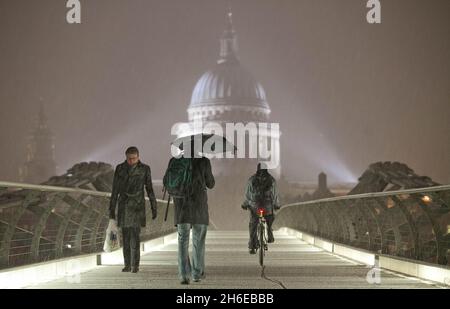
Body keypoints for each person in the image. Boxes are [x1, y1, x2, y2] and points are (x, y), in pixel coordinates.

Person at [165, 156, 215, 285]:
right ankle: (196, 274)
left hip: (181, 207)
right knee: (198, 241)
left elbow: (167, 181)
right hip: (199, 207)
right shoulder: (204, 161)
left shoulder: (175, 161)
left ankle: (183, 275)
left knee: (182, 241)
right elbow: (211, 184)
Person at [109, 146, 157, 273]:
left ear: (138, 157)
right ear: (126, 157)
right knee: (125, 236)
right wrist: (111, 210)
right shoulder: (120, 168)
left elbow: (149, 188)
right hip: (124, 205)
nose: (131, 161)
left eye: (134, 158)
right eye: (129, 159)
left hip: (137, 206)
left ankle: (135, 265)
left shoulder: (145, 169)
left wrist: (154, 206)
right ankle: (127, 264)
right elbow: (115, 190)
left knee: (135, 236)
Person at [241, 163, 280, 254]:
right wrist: (276, 205)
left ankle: (252, 246)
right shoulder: (271, 180)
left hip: (255, 207)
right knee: (270, 220)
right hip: (267, 207)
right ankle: (270, 234)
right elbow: (275, 195)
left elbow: (248, 195)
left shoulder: (252, 180)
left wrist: (245, 204)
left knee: (253, 225)